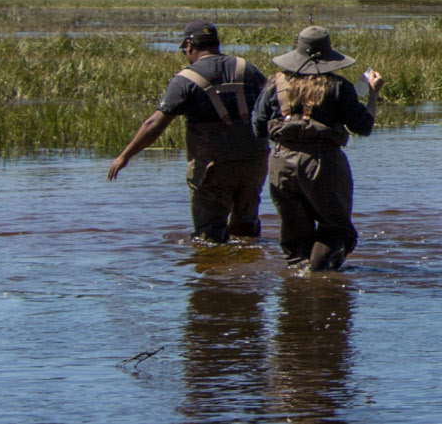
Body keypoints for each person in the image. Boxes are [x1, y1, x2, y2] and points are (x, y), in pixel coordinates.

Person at [109, 20, 269, 245]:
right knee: (246, 227)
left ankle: (214, 276)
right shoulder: (247, 69)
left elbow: (154, 124)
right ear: (216, 44)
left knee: (208, 239)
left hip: (213, 167)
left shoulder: (185, 79)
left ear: (189, 46)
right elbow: (274, 105)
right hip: (254, 161)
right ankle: (249, 272)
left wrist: (125, 155)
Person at [255, 26, 381, 273]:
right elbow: (363, 127)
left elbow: (258, 127)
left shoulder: (274, 84)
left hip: (280, 161)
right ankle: (319, 277)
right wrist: (372, 95)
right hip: (322, 162)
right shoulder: (339, 87)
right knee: (337, 229)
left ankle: (297, 290)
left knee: (293, 232)